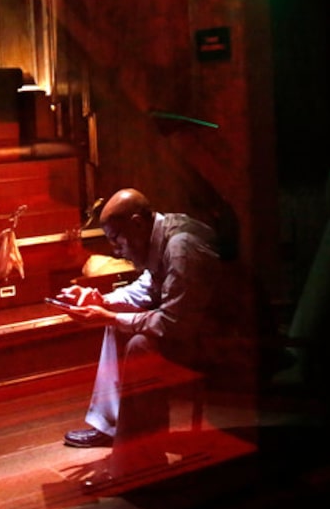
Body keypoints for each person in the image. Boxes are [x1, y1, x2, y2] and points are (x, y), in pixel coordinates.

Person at [57, 188, 222, 483]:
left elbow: (174, 323)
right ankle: (115, 429)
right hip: (194, 330)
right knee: (119, 325)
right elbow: (147, 286)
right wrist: (101, 300)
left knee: (141, 345)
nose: (116, 250)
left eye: (117, 239)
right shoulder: (159, 235)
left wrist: (112, 315)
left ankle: (143, 461)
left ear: (137, 223)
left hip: (224, 342)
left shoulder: (182, 247)